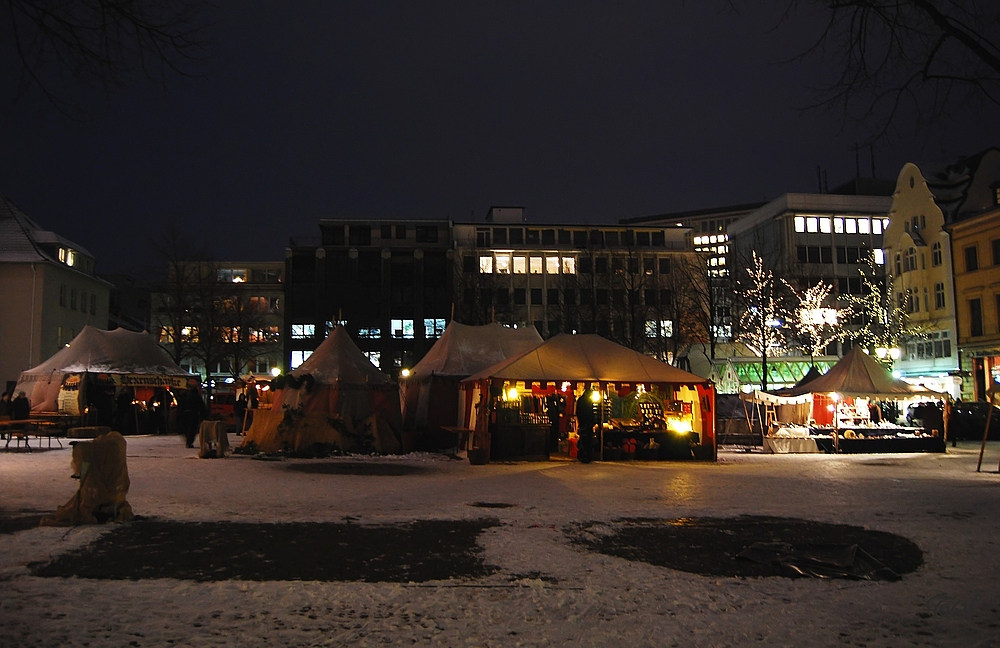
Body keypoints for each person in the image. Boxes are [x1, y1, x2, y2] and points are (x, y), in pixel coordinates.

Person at [576, 388, 598, 464]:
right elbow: (591, 413)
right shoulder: (588, 401)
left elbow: (578, 412)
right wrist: (593, 422)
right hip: (587, 424)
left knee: (583, 439)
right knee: (587, 440)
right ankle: (586, 456)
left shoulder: (581, 400)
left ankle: (583, 455)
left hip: (583, 423)